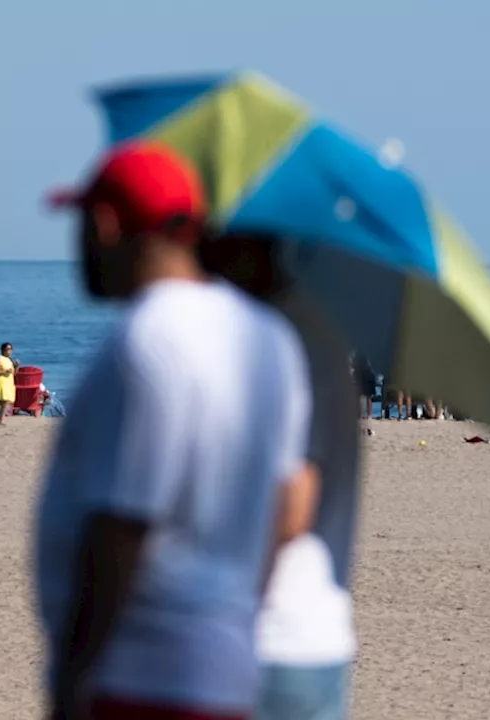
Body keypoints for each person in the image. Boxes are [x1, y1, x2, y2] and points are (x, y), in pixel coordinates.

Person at [37, 141, 314, 720]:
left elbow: (121, 527)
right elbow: (288, 503)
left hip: (140, 676)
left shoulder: (147, 341)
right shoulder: (270, 337)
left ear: (106, 225)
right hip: (225, 663)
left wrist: (71, 679)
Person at [203, 232, 360, 720]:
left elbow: (293, 498)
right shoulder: (325, 339)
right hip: (317, 621)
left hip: (269, 631)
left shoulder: (275, 339)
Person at [0, 343, 16, 424]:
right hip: (2, 381)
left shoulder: (9, 360)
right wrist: (5, 371)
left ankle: (1, 418)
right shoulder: (0, 358)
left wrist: (16, 366)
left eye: (10, 349)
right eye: (7, 349)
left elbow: (14, 373)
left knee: (7, 401)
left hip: (9, 382)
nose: (9, 351)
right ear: (3, 350)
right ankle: (1, 419)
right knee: (5, 401)